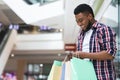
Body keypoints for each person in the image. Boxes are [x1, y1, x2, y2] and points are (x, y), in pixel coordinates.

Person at [72, 4, 117, 80]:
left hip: (103, 77)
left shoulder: (103, 29)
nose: (79, 24)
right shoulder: (81, 34)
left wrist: (85, 55)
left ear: (89, 16)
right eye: (77, 22)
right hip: (85, 77)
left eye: (81, 20)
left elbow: (110, 54)